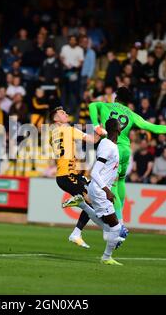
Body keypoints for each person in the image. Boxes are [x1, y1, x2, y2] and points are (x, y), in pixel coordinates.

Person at [88, 87, 166, 229]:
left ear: (116, 97)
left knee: (114, 185)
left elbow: (92, 105)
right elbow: (154, 128)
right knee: (122, 180)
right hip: (125, 150)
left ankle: (120, 223)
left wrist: (95, 125)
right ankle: (121, 215)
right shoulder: (131, 114)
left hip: (113, 149)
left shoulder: (106, 106)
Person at [64, 118, 125, 266]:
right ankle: (106, 257)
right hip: (99, 190)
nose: (121, 125)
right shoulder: (108, 146)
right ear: (117, 129)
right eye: (119, 124)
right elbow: (95, 172)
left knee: (110, 227)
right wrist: (107, 191)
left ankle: (82, 205)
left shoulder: (109, 144)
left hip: (99, 189)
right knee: (115, 228)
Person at [49, 106, 101, 249]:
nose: (66, 113)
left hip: (66, 176)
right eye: (61, 113)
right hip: (68, 176)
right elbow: (93, 140)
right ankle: (79, 228)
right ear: (55, 119)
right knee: (91, 200)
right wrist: (102, 129)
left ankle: (77, 230)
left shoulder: (52, 134)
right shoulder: (69, 130)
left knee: (91, 199)